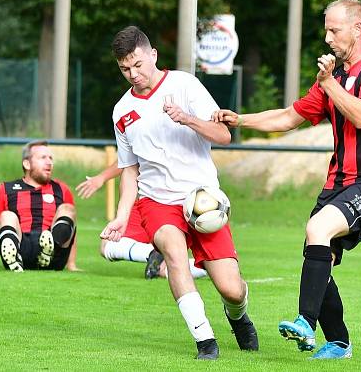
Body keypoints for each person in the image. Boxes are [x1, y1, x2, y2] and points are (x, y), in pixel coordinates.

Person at [213, 0, 361, 360]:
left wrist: (330, 84)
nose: (328, 37)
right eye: (326, 29)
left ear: (357, 29)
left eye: (334, 29)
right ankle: (339, 343)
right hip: (338, 182)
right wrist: (240, 120)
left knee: (317, 231)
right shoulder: (335, 77)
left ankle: (305, 321)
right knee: (319, 256)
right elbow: (288, 117)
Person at [100, 26, 258, 360]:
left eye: (138, 64)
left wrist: (186, 119)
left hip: (203, 200)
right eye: (124, 68)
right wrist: (121, 216)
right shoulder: (121, 111)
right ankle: (205, 341)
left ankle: (238, 315)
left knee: (230, 288)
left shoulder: (184, 85)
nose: (133, 73)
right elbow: (130, 170)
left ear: (153, 54)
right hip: (156, 201)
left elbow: (224, 135)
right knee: (173, 253)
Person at [77, 162, 208, 280]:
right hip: (170, 202)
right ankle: (216, 268)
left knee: (108, 244)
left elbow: (130, 160)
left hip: (154, 202)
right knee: (164, 268)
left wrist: (102, 177)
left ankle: (152, 253)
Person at [0, 140, 77, 272]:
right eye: (43, 158)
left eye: (50, 158)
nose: (49, 162)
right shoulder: (6, 189)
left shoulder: (61, 189)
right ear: (27, 164)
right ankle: (14, 258)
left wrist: (71, 265)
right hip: (22, 246)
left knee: (68, 210)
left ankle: (47, 250)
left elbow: (71, 230)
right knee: (6, 215)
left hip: (54, 253)